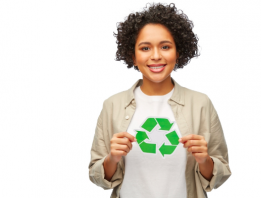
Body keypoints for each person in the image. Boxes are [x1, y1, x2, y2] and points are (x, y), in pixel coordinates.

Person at [88, 3, 231, 198]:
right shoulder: (112, 106)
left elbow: (220, 175)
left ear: (178, 52)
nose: (156, 56)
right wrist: (112, 158)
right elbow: (97, 177)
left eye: (165, 47)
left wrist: (205, 160)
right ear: (133, 55)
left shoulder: (200, 104)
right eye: (145, 48)